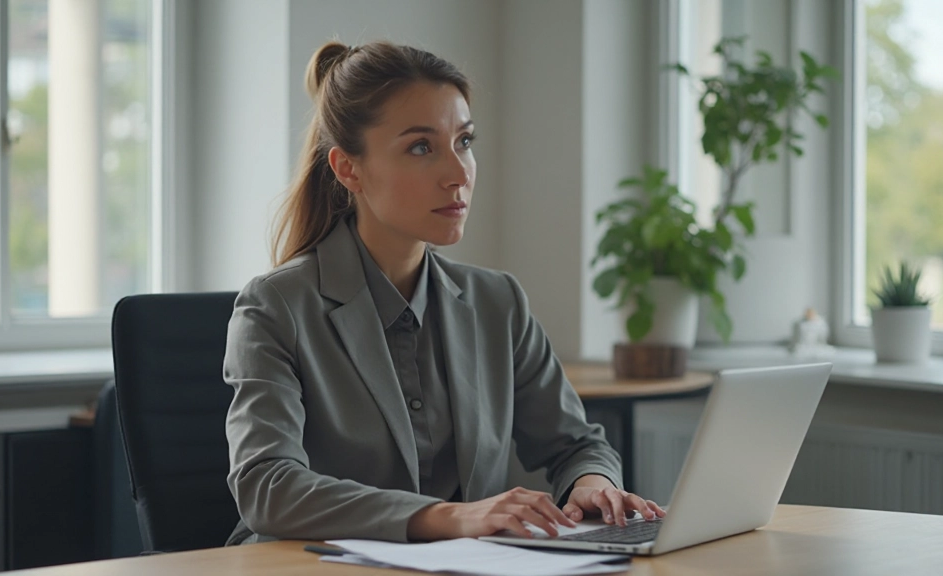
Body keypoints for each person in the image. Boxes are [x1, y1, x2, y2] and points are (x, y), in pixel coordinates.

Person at [223, 40, 665, 546]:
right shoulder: (275, 307)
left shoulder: (497, 302)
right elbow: (267, 488)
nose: (458, 174)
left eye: (465, 142)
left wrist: (594, 484)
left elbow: (577, 443)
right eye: (421, 147)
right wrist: (451, 517)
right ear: (348, 169)